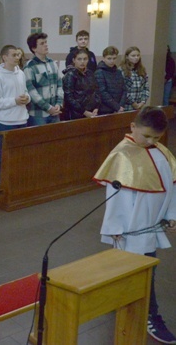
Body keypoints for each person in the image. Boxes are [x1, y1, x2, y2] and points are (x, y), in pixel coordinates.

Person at [94, 106, 176, 344]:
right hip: (131, 229)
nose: (150, 141)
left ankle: (119, 299)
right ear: (133, 127)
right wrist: (115, 230)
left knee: (139, 269)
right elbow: (115, 199)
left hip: (152, 224)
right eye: (146, 135)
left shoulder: (161, 152)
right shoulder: (122, 155)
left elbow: (171, 186)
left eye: (156, 137)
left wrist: (171, 215)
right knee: (144, 270)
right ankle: (151, 316)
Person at [0, 45, 30, 191]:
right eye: (14, 55)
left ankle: (18, 180)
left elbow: (25, 92)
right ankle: (1, 181)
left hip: (22, 119)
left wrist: (27, 98)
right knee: (5, 154)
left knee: (20, 154)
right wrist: (14, 101)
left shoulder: (21, 74)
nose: (17, 57)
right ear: (5, 57)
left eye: (18, 55)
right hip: (6, 122)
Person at [24, 32, 63, 125]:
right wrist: (48, 108)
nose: (46, 45)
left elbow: (59, 84)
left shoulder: (52, 63)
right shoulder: (30, 66)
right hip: (38, 114)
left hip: (55, 111)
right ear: (34, 48)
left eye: (46, 42)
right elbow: (31, 91)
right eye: (42, 43)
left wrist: (59, 103)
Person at [62, 48, 101, 120]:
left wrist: (96, 107)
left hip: (92, 112)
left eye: (85, 59)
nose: (82, 62)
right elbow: (69, 97)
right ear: (74, 60)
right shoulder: (70, 75)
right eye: (79, 59)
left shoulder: (90, 73)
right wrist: (84, 112)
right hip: (76, 114)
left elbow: (96, 91)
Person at [95, 46, 127, 115]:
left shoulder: (118, 72)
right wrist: (117, 107)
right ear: (103, 58)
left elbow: (124, 89)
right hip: (105, 109)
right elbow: (102, 92)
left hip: (119, 108)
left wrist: (121, 106)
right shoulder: (99, 72)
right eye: (109, 58)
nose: (112, 61)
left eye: (114, 58)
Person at [120, 46, 150, 112]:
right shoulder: (122, 70)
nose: (136, 57)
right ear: (127, 57)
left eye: (138, 55)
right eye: (133, 56)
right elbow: (123, 89)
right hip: (126, 105)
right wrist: (133, 103)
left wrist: (142, 101)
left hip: (139, 105)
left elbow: (146, 88)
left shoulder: (142, 70)